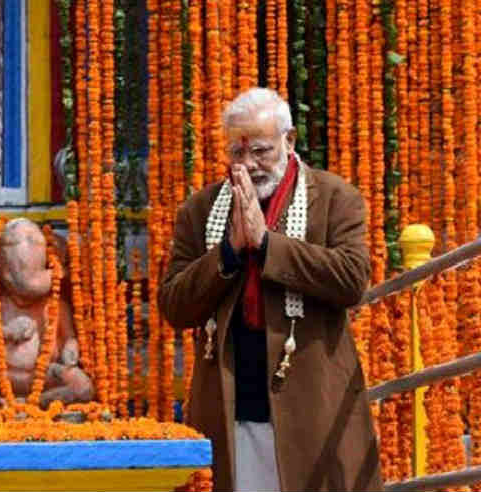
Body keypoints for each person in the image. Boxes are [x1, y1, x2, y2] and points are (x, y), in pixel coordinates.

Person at [158, 88, 383, 492]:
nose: (249, 165)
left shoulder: (333, 198)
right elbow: (174, 305)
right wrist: (228, 252)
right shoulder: (202, 208)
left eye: (261, 151)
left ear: (289, 140)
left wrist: (267, 246)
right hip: (229, 400)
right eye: (238, 153)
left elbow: (352, 279)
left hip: (313, 401)